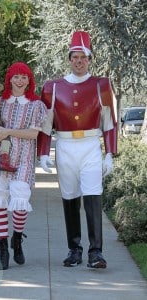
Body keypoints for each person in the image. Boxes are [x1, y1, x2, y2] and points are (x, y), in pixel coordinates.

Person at [37, 31, 117, 269]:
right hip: (65, 146)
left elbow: (109, 122)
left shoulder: (100, 85)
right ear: (69, 59)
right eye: (75, 57)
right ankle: (74, 249)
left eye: (83, 57)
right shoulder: (53, 87)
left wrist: (110, 153)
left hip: (90, 146)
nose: (79, 61)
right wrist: (43, 153)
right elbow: (45, 123)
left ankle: (96, 252)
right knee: (70, 197)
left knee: (93, 196)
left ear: (90, 60)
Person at [0, 62, 48, 270]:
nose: (19, 80)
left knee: (20, 199)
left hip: (23, 157)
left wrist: (8, 132)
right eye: (15, 76)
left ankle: (17, 238)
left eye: (23, 76)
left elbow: (34, 134)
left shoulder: (36, 105)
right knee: (0, 202)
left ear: (29, 80)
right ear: (9, 79)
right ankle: (3, 248)